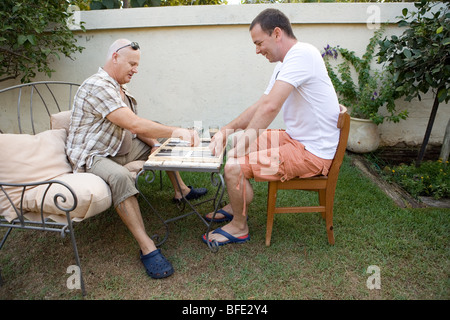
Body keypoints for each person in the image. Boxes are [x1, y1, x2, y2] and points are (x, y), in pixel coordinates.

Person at [66, 39, 208, 279]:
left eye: (137, 64)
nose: (135, 69)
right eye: (131, 63)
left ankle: (181, 190)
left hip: (117, 148)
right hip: (93, 155)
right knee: (121, 176)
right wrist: (175, 131)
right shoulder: (98, 85)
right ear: (114, 58)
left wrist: (155, 143)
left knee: (160, 143)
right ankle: (147, 248)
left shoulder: (119, 88)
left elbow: (135, 127)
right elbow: (132, 123)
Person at [203, 9, 340, 246]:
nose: (257, 50)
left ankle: (239, 227)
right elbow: (261, 104)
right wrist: (228, 129)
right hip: (295, 140)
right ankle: (238, 202)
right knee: (235, 144)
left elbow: (271, 107)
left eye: (259, 43)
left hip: (311, 154)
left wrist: (245, 141)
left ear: (277, 33)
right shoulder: (285, 63)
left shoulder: (302, 55)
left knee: (234, 165)